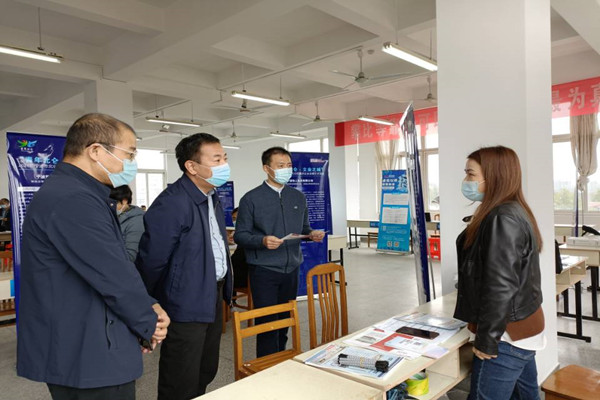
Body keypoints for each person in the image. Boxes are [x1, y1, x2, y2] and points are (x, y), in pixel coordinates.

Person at [17, 113, 170, 400]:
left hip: (87, 336)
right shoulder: (73, 198)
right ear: (96, 151)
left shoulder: (80, 192)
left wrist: (148, 304)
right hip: (86, 348)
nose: (132, 163)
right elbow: (111, 275)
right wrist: (148, 323)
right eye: (130, 153)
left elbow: (110, 262)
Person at [136, 133, 233, 400]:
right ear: (191, 166)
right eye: (217, 159)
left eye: (225, 158)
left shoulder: (211, 196)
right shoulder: (172, 203)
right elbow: (152, 261)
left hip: (212, 294)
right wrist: (148, 304)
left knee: (205, 369)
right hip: (184, 302)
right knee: (181, 378)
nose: (224, 165)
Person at [454, 146, 545, 400]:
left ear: (493, 177)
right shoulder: (509, 210)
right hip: (522, 328)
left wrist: (487, 339)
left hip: (506, 337)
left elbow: (501, 286)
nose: (466, 180)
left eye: (471, 174)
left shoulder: (503, 217)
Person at [234, 146, 325, 358]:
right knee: (267, 322)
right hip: (264, 270)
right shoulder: (251, 199)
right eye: (280, 165)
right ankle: (267, 364)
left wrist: (311, 234)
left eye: (289, 165)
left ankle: (280, 361)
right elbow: (241, 235)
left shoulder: (297, 197)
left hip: (291, 268)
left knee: (285, 319)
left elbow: (304, 227)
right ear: (266, 168)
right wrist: (262, 241)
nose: (286, 169)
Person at [109, 185, 145, 261]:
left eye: (113, 204)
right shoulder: (114, 217)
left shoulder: (137, 221)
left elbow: (131, 256)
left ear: (124, 201)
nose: (111, 207)